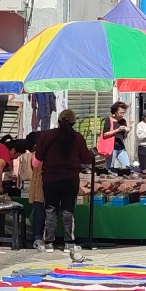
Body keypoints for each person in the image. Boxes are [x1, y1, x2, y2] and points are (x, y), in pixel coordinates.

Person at [33, 109, 92, 259]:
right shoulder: (77, 138)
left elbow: (38, 158)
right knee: (68, 211)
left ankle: (49, 243)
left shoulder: (46, 136)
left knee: (50, 209)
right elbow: (86, 158)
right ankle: (68, 243)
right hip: (70, 179)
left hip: (50, 179)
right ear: (73, 123)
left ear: (58, 121)